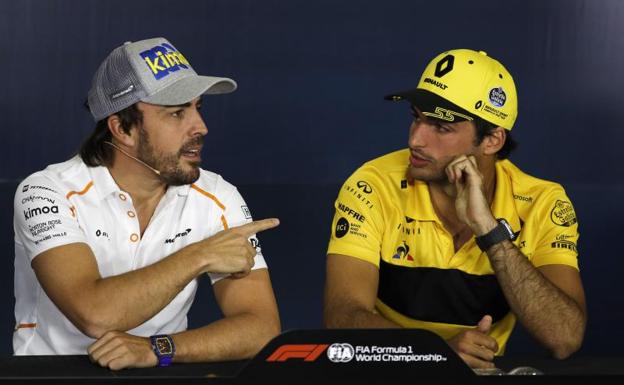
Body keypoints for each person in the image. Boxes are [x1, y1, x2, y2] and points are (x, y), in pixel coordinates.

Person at [13, 37, 281, 370]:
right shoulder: (45, 191)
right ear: (122, 128)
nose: (201, 127)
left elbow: (260, 328)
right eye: (177, 113)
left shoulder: (217, 195)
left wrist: (158, 348)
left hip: (159, 373)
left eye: (198, 107)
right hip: (49, 377)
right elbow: (95, 314)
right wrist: (201, 254)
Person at [323, 49, 586, 368]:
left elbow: (564, 339)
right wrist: (437, 354)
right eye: (416, 118)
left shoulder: (543, 202)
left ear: (492, 141)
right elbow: (342, 317)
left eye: (441, 127)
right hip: (386, 371)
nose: (416, 140)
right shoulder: (372, 185)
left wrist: (490, 232)